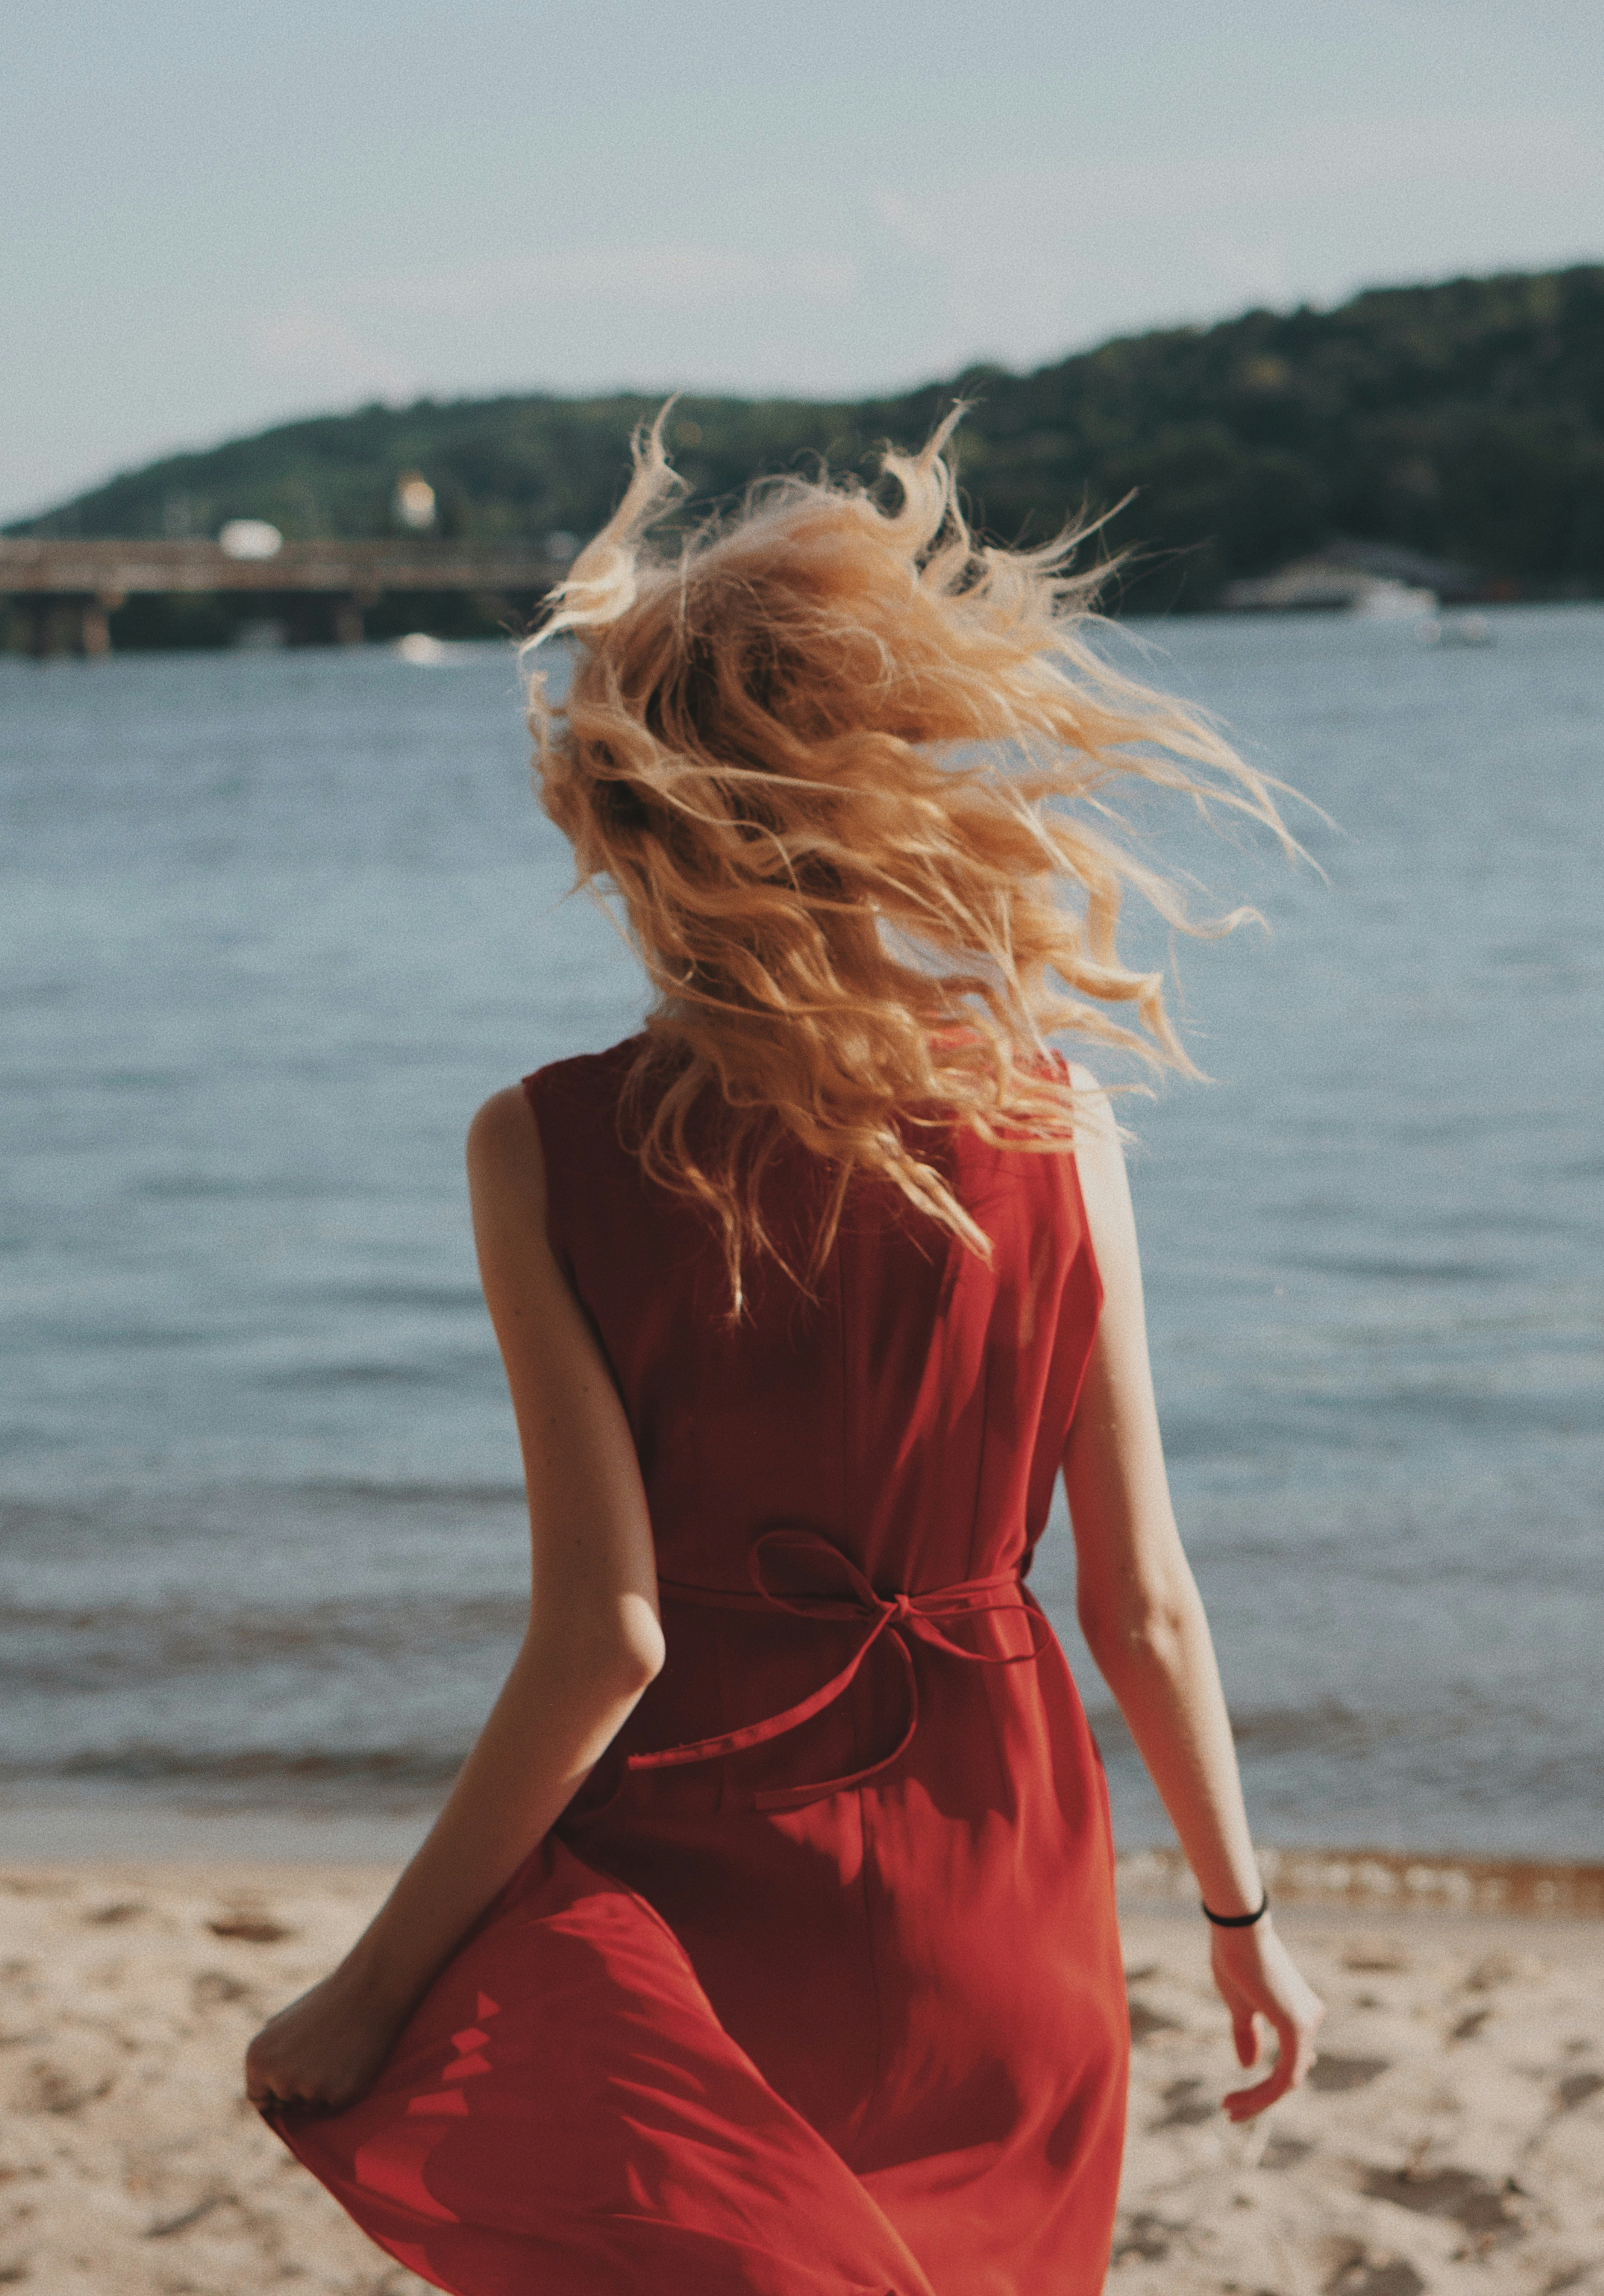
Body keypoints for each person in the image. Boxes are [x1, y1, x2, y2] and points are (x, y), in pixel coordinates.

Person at [245, 412, 1324, 2296]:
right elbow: (1143, 1600)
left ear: (628, 818)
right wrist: (1239, 1916)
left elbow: (610, 1638)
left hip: (710, 1898)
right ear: (892, 789)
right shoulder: (1054, 1118)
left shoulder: (545, 1149)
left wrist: (374, 1977)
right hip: (1009, 1905)